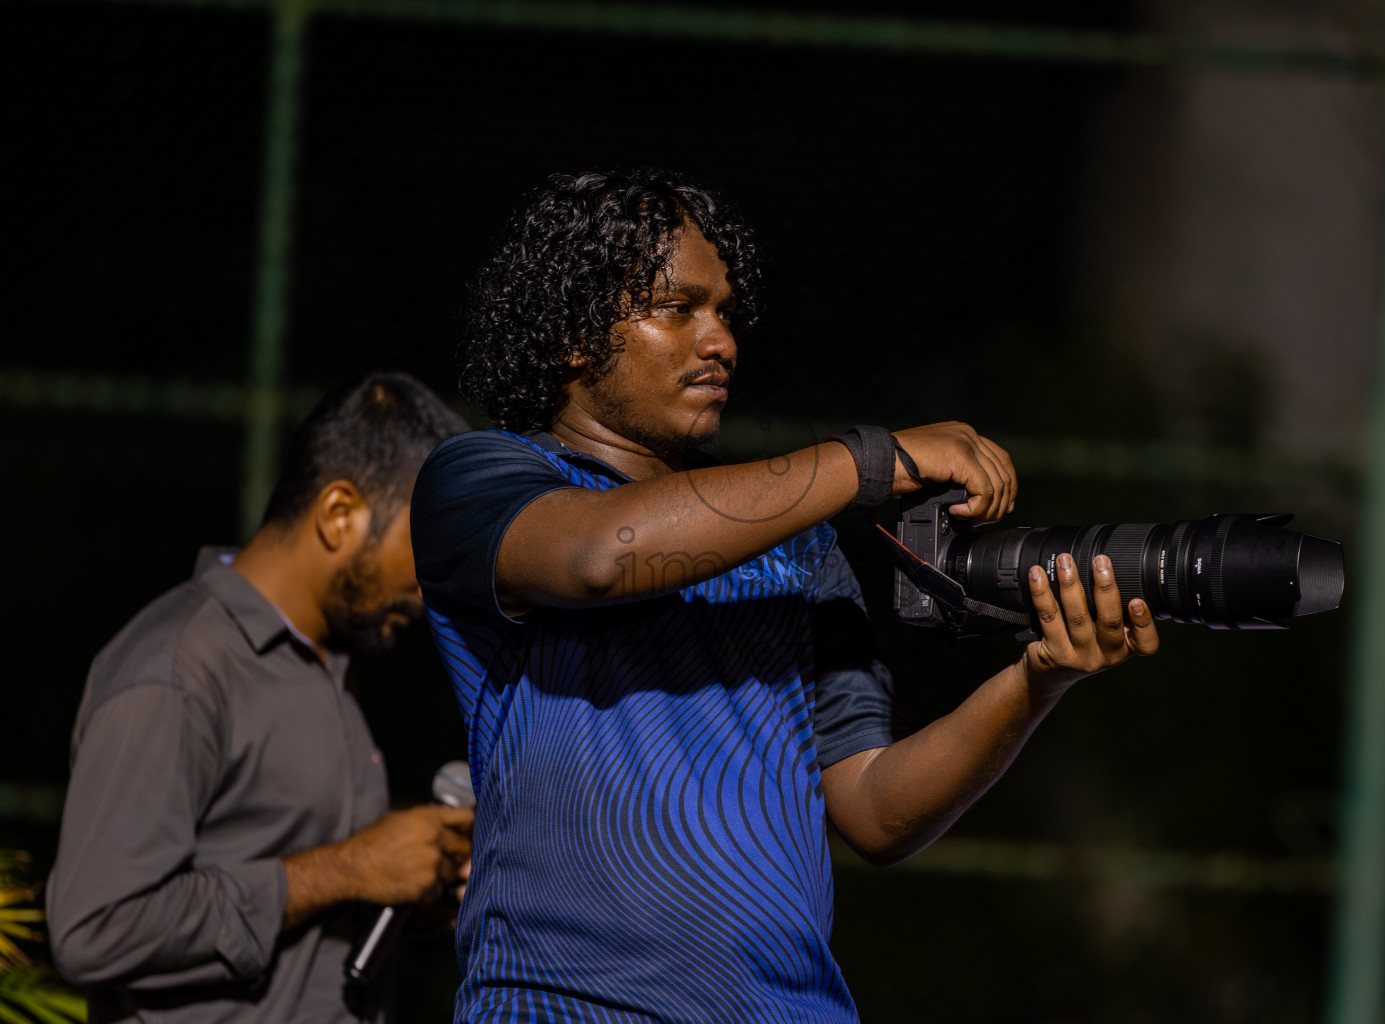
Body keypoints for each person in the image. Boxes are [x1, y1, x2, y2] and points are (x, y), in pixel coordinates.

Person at [411, 170, 1161, 1023]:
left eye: (727, 312)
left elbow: (877, 811)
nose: (721, 341)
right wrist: (870, 461)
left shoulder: (797, 545)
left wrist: (1038, 680)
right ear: (577, 337)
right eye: (678, 307)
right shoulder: (486, 478)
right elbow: (596, 555)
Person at [49, 372, 475, 1023]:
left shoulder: (328, 659)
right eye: (422, 549)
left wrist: (402, 891)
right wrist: (349, 869)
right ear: (339, 515)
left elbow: (284, 873)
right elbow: (97, 928)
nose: (430, 588)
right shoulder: (175, 671)